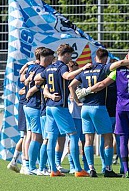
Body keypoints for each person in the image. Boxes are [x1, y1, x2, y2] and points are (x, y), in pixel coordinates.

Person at [69, 48, 129, 177]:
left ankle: (91, 168)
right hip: (98, 107)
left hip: (85, 108)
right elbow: (119, 64)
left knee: (88, 139)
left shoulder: (86, 69)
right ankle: (107, 169)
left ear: (95, 57)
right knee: (107, 137)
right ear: (106, 58)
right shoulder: (104, 68)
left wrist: (77, 101)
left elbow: (71, 85)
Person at [34, 44, 92, 177]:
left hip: (49, 107)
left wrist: (48, 85)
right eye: (70, 55)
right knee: (73, 135)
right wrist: (83, 68)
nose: (70, 58)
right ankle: (78, 169)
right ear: (65, 54)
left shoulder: (49, 67)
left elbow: (37, 78)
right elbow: (67, 76)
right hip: (60, 106)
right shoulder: (61, 66)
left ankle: (53, 170)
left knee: (52, 137)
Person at [24, 48, 55, 174]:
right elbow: (37, 85)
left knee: (34, 137)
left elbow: (25, 80)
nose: (53, 62)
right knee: (37, 138)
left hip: (28, 105)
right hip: (35, 106)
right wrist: (34, 88)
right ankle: (31, 167)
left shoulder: (32, 68)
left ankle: (34, 165)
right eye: (52, 59)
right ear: (47, 59)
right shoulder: (42, 71)